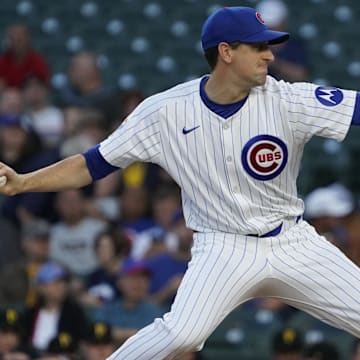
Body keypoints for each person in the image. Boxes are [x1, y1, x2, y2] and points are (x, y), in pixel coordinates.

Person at [0, 5, 359, 360]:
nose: (269, 54)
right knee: (180, 333)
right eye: (258, 46)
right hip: (223, 248)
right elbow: (91, 165)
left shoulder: (287, 100)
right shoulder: (165, 112)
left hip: (292, 242)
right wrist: (23, 183)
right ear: (226, 52)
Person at [256, 0, 309, 82]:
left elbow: (300, 75)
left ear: (283, 23)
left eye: (274, 26)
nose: (271, 29)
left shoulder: (295, 46)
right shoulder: (252, 45)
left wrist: (273, 62)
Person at [0, 24, 50, 91]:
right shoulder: (3, 61)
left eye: (19, 40)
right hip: (8, 98)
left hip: (30, 98)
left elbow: (44, 88)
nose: (15, 44)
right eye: (12, 40)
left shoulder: (38, 61)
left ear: (27, 40)